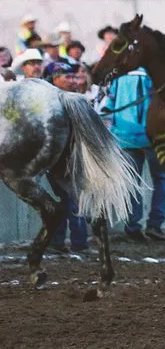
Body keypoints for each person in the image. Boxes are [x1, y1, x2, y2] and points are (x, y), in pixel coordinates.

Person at [103, 60, 165, 243]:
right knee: (161, 180)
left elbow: (108, 104)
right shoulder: (154, 72)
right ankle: (155, 224)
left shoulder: (118, 74)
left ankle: (133, 225)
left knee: (132, 182)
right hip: (153, 135)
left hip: (124, 135)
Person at [43, 61, 92, 252]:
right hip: (61, 158)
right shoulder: (55, 101)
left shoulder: (70, 98)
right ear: (55, 80)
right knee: (71, 200)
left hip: (70, 157)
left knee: (68, 200)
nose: (73, 80)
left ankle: (61, 241)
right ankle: (75, 242)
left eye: (73, 76)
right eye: (67, 77)